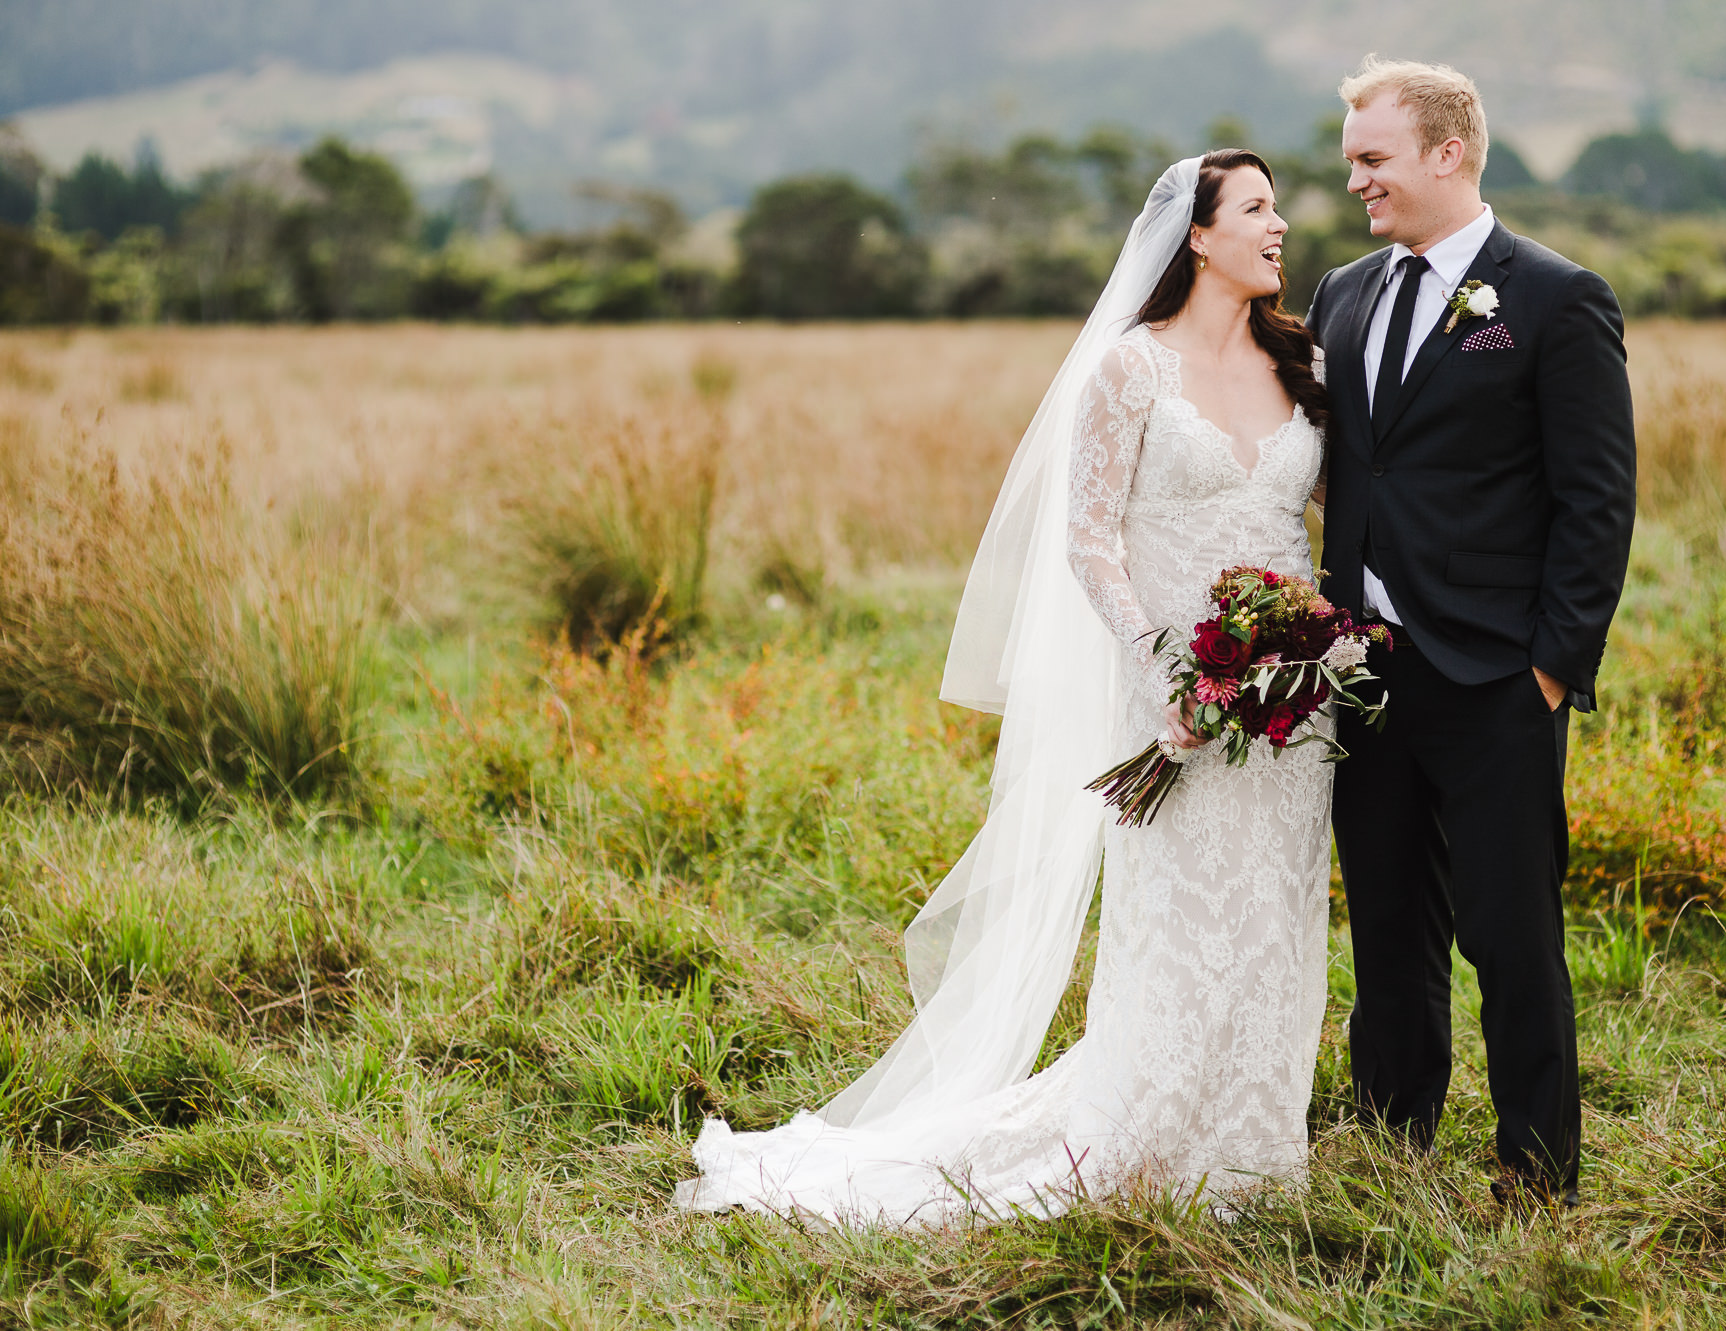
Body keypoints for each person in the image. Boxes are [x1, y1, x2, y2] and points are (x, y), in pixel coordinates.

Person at [677, 150, 1338, 1224]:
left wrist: (1312, 646)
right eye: (1256, 209)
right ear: (1197, 238)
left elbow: (1326, 522)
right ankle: (1145, 1142)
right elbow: (1086, 542)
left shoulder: (1300, 357)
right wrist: (1165, 668)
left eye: (1275, 207)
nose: (1279, 225)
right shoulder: (1130, 369)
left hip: (1288, 711)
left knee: (1274, 912)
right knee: (1174, 917)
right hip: (1169, 694)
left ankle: (1254, 1152)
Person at [1304, 56, 1636, 1206]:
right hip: (1364, 675)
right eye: (1352, 159)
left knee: (1510, 937)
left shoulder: (1552, 296)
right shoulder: (1344, 292)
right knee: (1389, 929)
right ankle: (1393, 1146)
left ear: (1446, 152)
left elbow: (1596, 499)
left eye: (1371, 157)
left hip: (1497, 677)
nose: (1353, 180)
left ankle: (1534, 1169)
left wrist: (1551, 666)